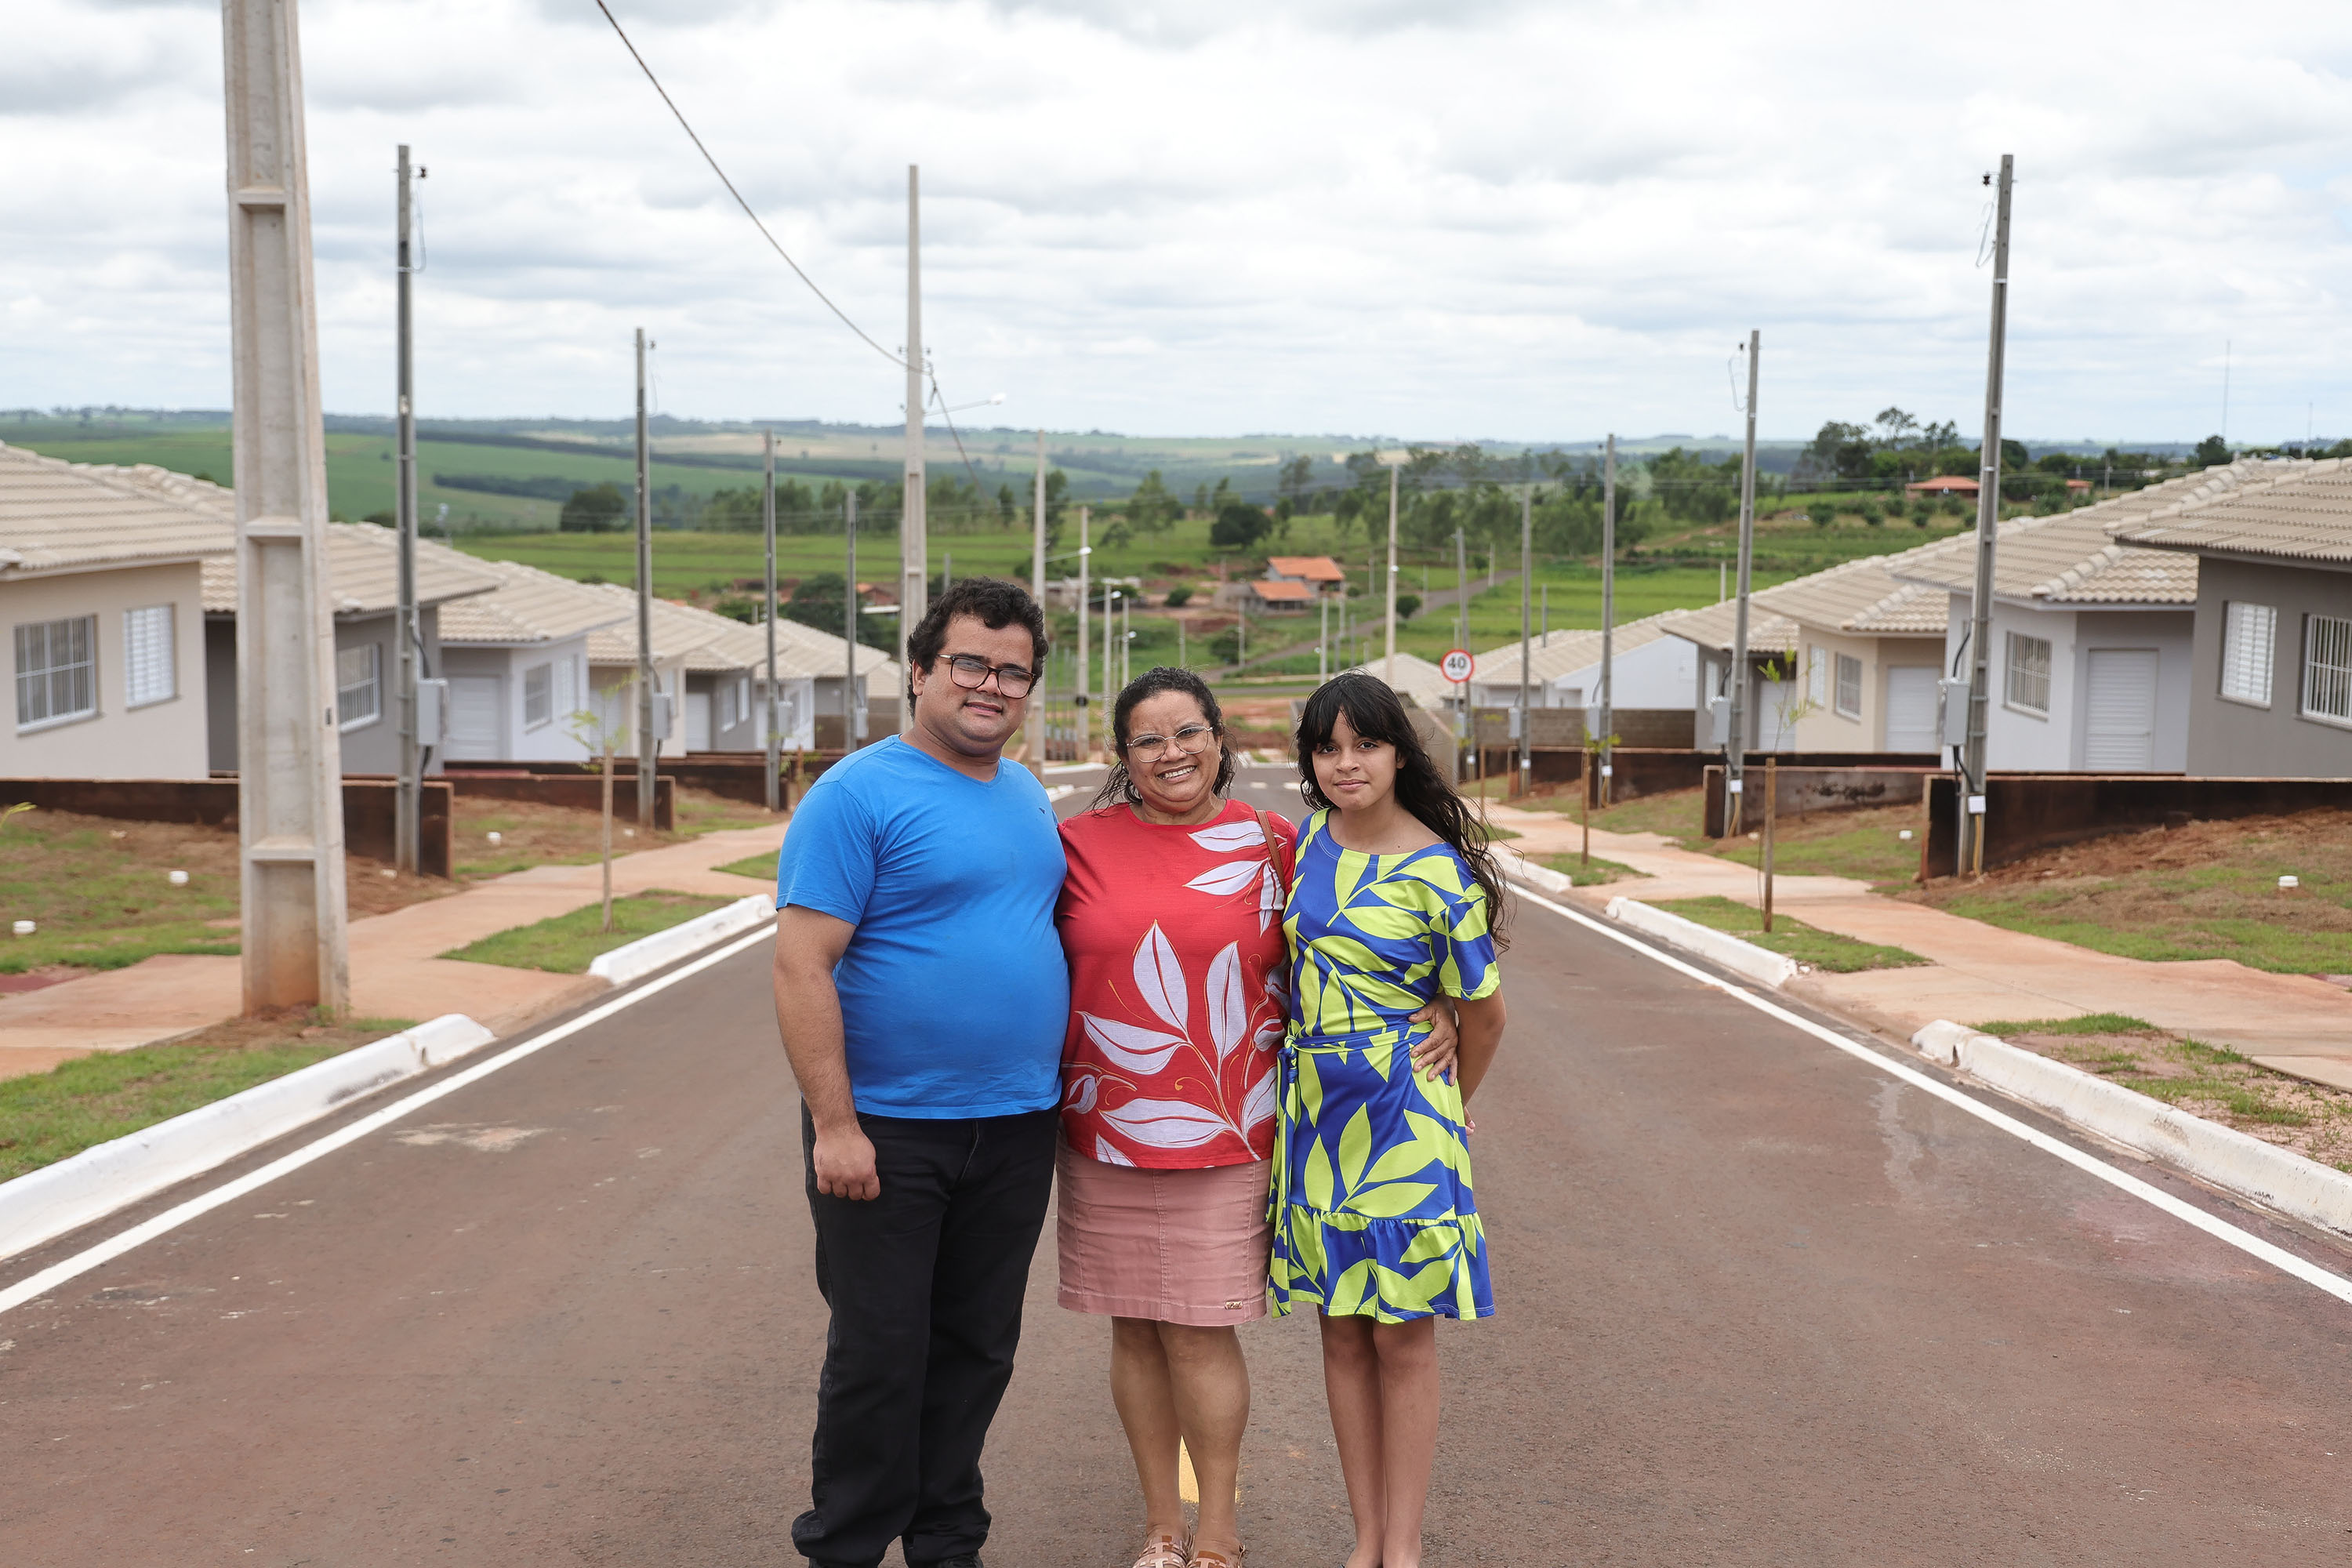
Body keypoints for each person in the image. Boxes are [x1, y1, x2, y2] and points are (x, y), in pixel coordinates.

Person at [1054, 666, 1457, 1568]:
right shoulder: (1075, 844)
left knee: (1199, 1325)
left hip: (1234, 1123)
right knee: (1133, 1323)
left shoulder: (1279, 841)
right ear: (1123, 756)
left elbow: (1367, 917)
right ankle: (1162, 1525)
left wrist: (1442, 1001)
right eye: (1149, 739)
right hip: (1103, 1118)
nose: (1172, 753)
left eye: (1189, 731)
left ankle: (1220, 1528)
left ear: (1220, 738)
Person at [770, 577, 1065, 1568]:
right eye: (972, 663)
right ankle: (845, 1545)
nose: (991, 684)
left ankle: (946, 1539)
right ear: (924, 670)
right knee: (879, 1355)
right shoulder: (857, 792)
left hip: (1018, 1123)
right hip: (888, 1129)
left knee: (978, 1349)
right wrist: (835, 1123)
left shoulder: (1026, 792)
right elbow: (801, 963)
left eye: (1012, 669)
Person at [1271, 672, 1508, 1568]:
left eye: (1363, 743)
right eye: (1327, 748)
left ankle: (1401, 1547)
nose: (1345, 763)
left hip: (1406, 1120)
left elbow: (1482, 1011)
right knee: (1339, 1327)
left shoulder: (1438, 870)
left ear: (1399, 751)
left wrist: (1452, 1104)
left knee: (1400, 1332)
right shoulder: (1303, 847)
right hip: (1317, 1120)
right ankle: (1362, 1539)